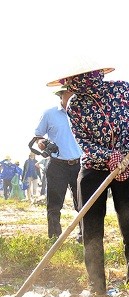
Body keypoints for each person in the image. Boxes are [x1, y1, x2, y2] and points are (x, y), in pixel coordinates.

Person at [48, 62, 129, 296]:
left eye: (85, 77)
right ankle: (97, 287)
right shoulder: (75, 105)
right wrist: (109, 156)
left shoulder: (120, 90)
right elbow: (84, 144)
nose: (81, 84)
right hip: (94, 170)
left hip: (127, 165)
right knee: (91, 229)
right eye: (76, 80)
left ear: (96, 74)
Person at [34, 86, 83, 240]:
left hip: (79, 164)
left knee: (83, 203)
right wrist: (42, 142)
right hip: (56, 164)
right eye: (70, 93)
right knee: (54, 205)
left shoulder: (82, 113)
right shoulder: (49, 114)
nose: (74, 96)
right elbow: (38, 136)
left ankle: (84, 235)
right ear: (61, 95)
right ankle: (55, 237)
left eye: (76, 93)